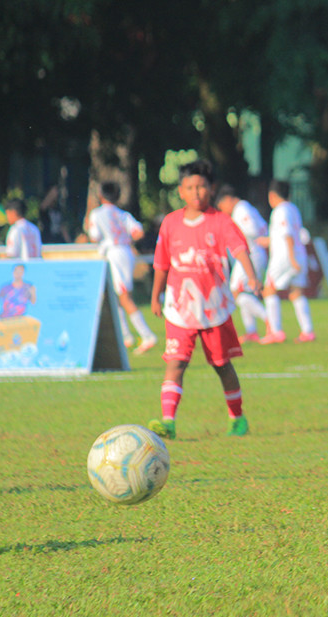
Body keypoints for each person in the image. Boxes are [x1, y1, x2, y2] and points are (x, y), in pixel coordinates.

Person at [146, 160, 260, 440]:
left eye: (201, 186)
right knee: (176, 362)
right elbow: (162, 263)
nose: (196, 192)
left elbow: (239, 248)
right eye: (190, 187)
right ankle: (168, 421)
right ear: (181, 191)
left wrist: (252, 276)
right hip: (179, 307)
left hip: (213, 307)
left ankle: (237, 417)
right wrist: (156, 295)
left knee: (221, 365)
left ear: (212, 189)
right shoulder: (171, 223)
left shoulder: (220, 221)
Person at [85, 181, 159, 355]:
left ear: (101, 196)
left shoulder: (97, 214)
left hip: (113, 253)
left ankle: (147, 335)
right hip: (126, 252)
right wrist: (126, 240)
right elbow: (138, 232)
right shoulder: (123, 214)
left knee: (124, 296)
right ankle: (125, 336)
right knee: (118, 296)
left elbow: (95, 237)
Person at [259, 179, 315, 344]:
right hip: (299, 255)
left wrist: (291, 258)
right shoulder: (293, 209)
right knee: (296, 293)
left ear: (272, 195)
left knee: (269, 290)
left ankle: (276, 331)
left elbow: (287, 234)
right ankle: (308, 331)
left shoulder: (280, 210)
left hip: (284, 257)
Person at [215, 185, 269, 343]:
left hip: (249, 254)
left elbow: (252, 230)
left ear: (227, 200)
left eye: (222, 207)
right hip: (252, 254)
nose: (224, 211)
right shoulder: (246, 208)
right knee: (244, 291)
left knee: (236, 291)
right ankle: (251, 330)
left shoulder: (241, 209)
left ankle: (269, 321)